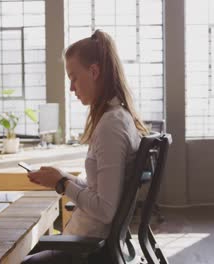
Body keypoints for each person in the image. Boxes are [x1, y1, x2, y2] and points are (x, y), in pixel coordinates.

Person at [22, 30, 148, 264]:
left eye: (74, 78)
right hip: (88, 240)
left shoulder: (111, 126)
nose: (71, 88)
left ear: (94, 71)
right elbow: (100, 189)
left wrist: (62, 184)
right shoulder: (117, 117)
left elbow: (105, 209)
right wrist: (63, 177)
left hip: (87, 248)